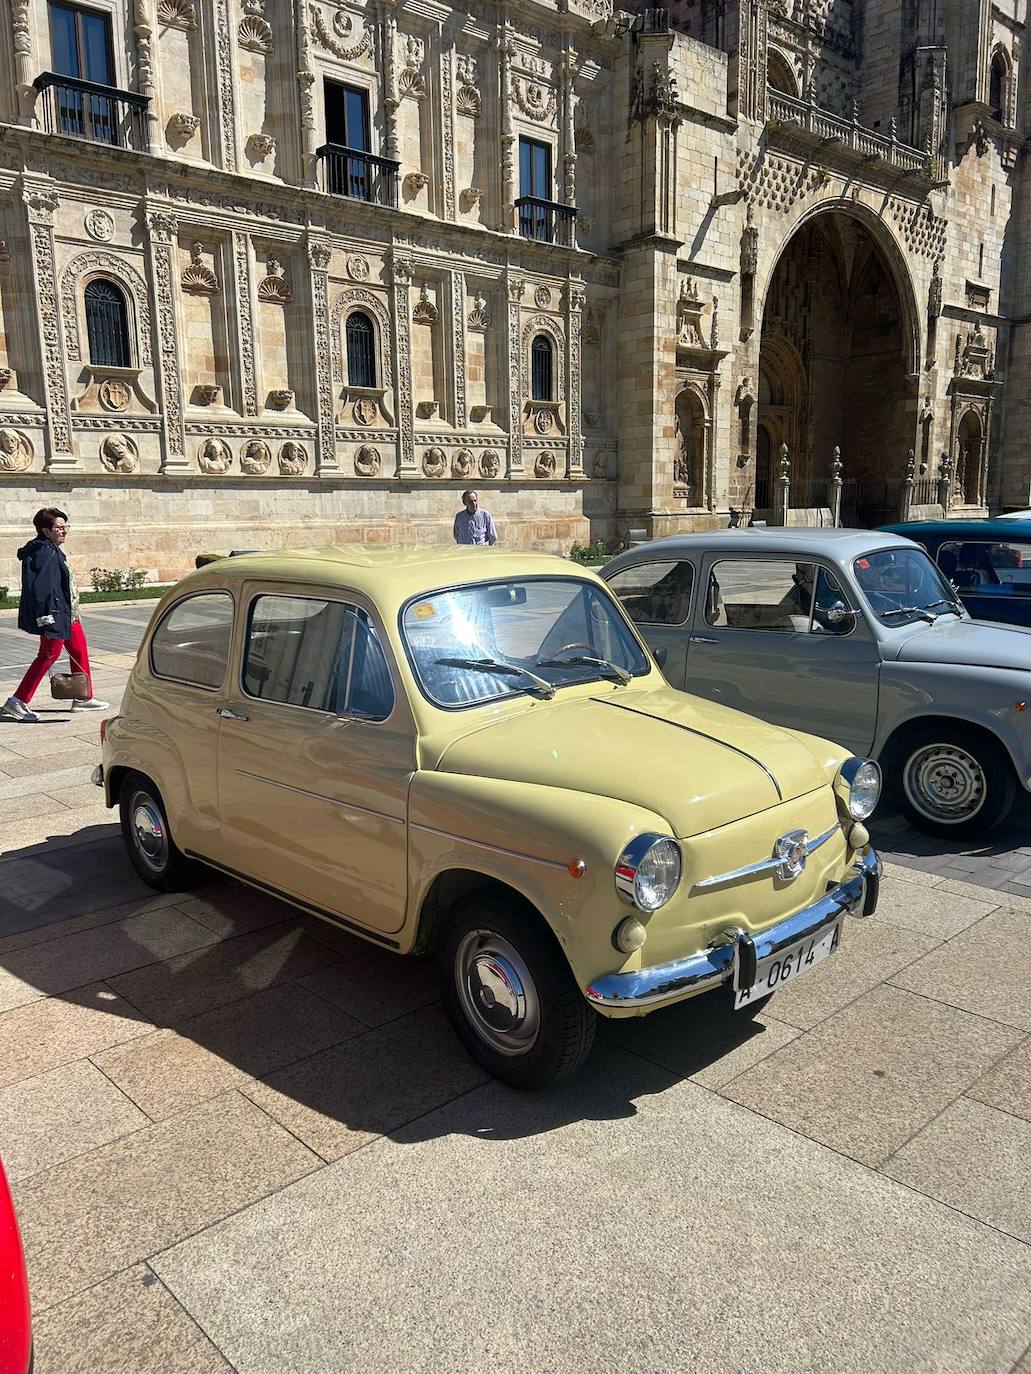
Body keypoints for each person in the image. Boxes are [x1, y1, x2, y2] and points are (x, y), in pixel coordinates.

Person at [2, 508, 109, 722]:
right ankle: (17, 701)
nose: (64, 531)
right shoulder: (45, 552)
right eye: (59, 527)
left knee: (79, 649)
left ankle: (83, 697)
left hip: (68, 613)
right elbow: (41, 588)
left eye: (65, 526)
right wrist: (47, 617)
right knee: (49, 654)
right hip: (55, 613)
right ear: (45, 530)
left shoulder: (52, 548)